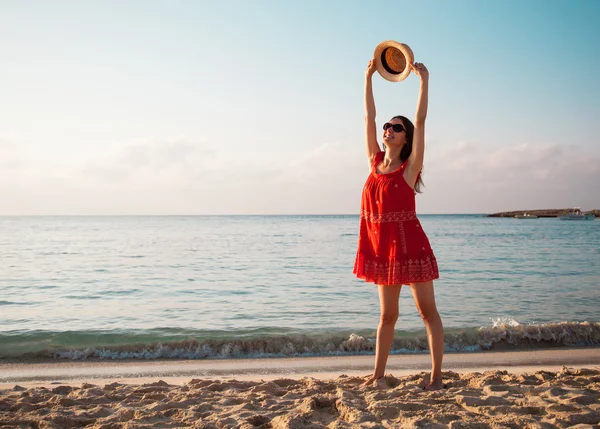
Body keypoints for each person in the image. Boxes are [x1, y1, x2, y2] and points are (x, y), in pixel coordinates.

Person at [354, 58, 445, 390]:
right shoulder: (374, 162)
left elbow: (420, 121)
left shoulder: (409, 169)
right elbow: (368, 117)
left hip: (411, 247)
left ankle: (436, 378)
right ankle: (377, 375)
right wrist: (368, 77)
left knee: (427, 313)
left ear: (405, 139)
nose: (387, 130)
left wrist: (424, 81)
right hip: (383, 250)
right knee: (386, 317)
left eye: (396, 128)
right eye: (387, 128)